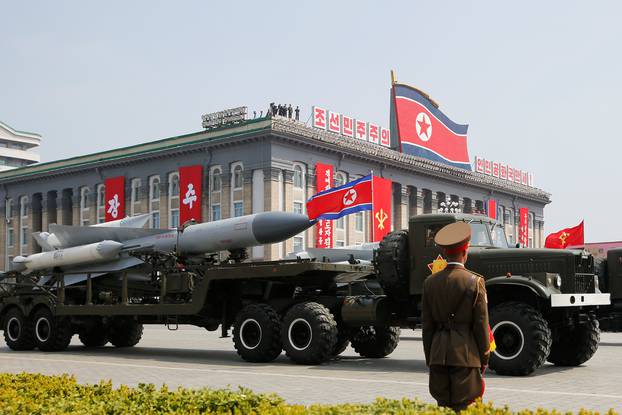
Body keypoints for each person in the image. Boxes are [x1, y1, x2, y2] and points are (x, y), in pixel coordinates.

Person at [421, 221, 490, 412]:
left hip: (437, 356)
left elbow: (427, 327)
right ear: (465, 252)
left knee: (443, 407)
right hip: (466, 357)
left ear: (444, 253)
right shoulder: (475, 282)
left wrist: (430, 357)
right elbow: (481, 324)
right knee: (466, 408)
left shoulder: (430, 282)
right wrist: (484, 357)